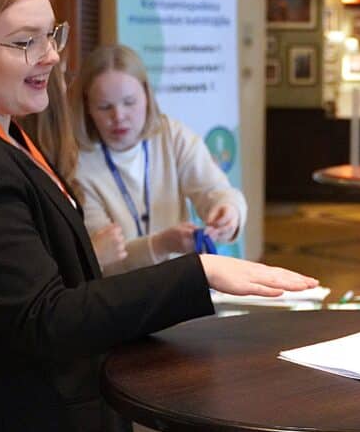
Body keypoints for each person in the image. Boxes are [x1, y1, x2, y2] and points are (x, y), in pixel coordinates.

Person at [0, 0, 318, 432]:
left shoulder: (7, 137)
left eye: (51, 35)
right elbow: (45, 317)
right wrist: (196, 272)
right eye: (25, 42)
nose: (50, 56)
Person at [70, 44, 246, 274]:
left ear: (147, 96)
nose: (119, 116)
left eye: (129, 102)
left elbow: (216, 190)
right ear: (87, 109)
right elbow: (102, 259)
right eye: (104, 107)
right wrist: (160, 245)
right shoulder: (77, 163)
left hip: (180, 283)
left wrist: (228, 211)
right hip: (118, 295)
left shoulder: (173, 136)